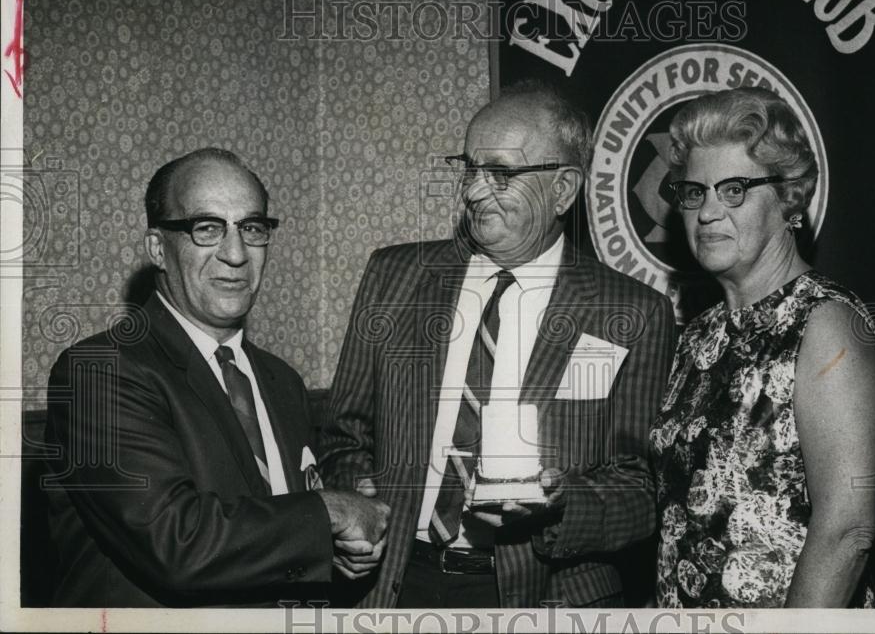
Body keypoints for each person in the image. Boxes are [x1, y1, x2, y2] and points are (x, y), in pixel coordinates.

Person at [319, 83, 674, 608]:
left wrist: (561, 503)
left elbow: (641, 489)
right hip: (395, 583)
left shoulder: (629, 312)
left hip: (552, 596)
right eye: (470, 169)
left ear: (563, 190)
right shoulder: (394, 278)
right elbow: (342, 436)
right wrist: (359, 500)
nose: (472, 191)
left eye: (501, 174)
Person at [44, 147, 390, 607]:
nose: (235, 254)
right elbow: (175, 544)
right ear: (157, 249)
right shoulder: (100, 371)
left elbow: (275, 538)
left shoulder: (280, 380)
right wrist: (328, 512)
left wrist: (340, 552)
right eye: (206, 228)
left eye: (251, 228)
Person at [649, 88, 875, 608]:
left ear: (789, 198)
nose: (707, 212)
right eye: (694, 192)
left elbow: (847, 533)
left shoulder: (826, 323)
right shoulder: (698, 335)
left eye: (734, 189)